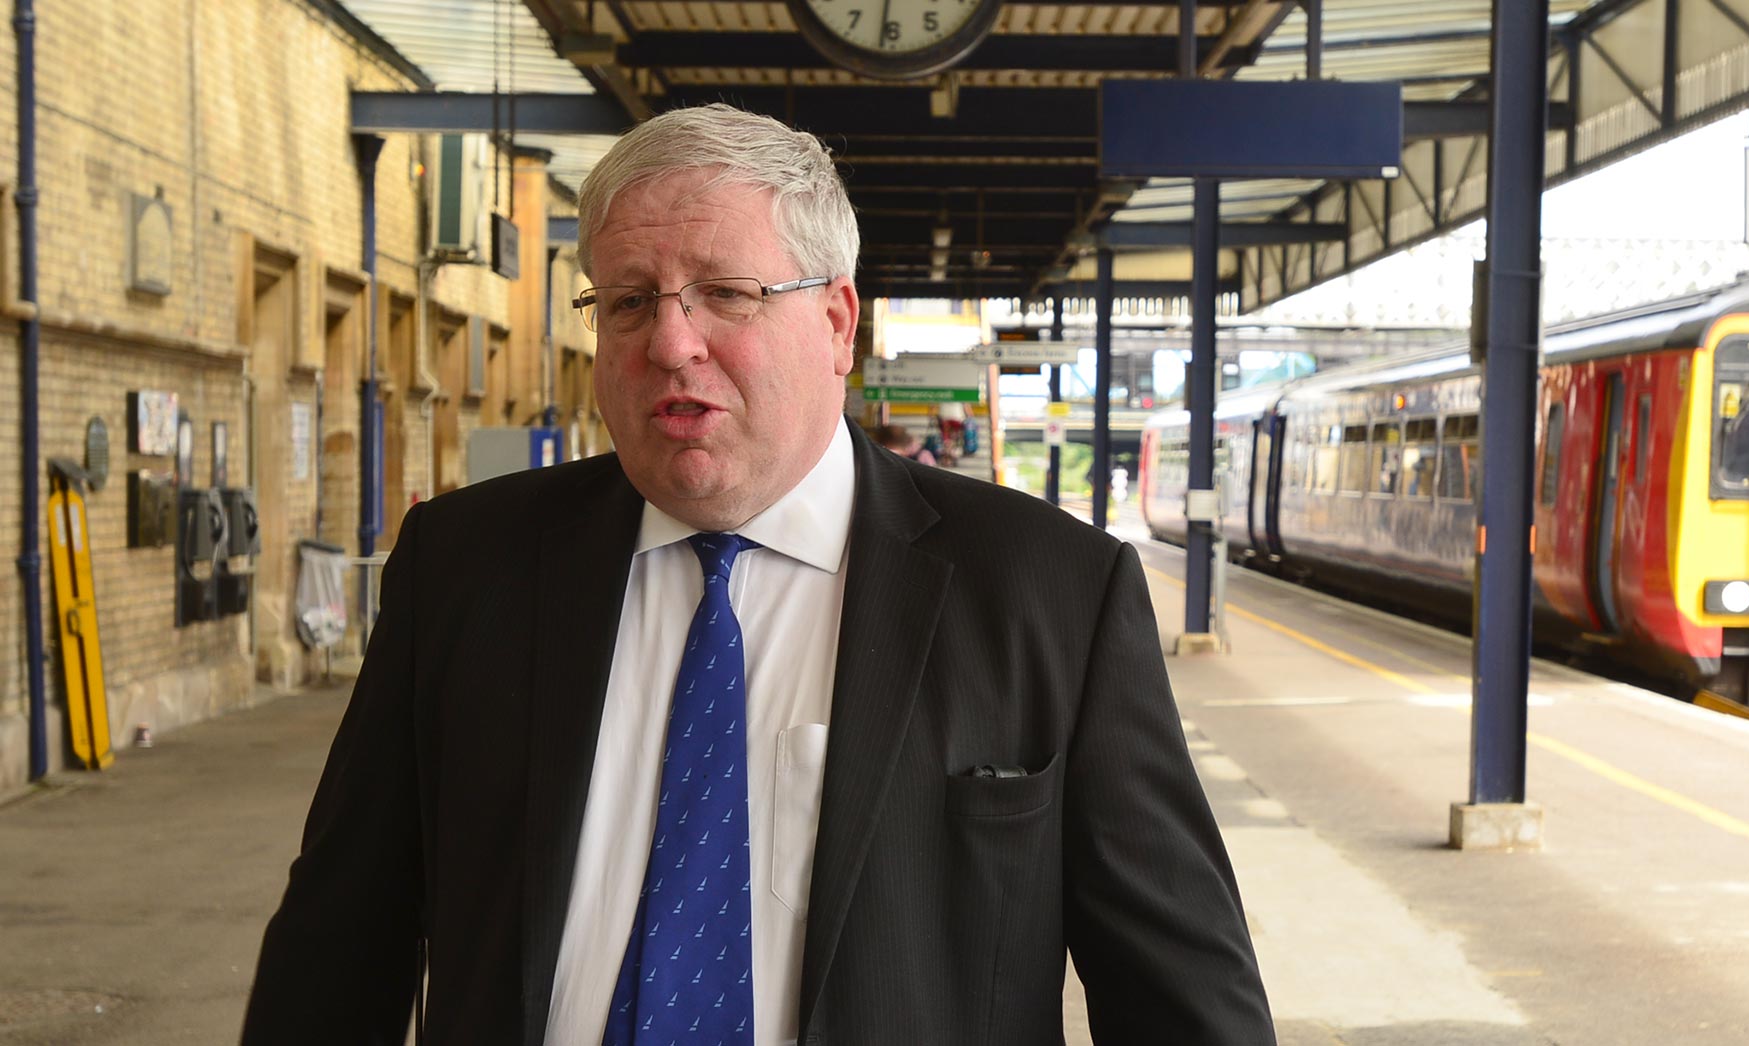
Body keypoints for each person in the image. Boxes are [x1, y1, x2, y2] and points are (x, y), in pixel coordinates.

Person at [242, 104, 1274, 1046]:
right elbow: (341, 946)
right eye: (631, 301)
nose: (671, 342)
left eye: (726, 294)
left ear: (836, 321)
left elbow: (1183, 998)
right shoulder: (465, 568)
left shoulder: (1050, 593)